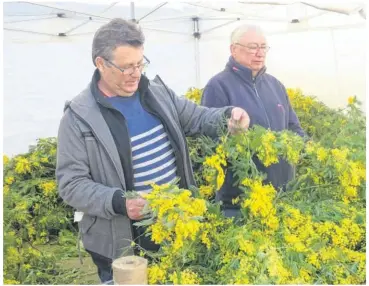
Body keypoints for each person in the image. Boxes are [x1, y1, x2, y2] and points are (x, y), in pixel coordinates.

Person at [55, 18, 250, 284]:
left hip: (174, 225)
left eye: (140, 63)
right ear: (101, 64)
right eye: (126, 67)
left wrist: (228, 116)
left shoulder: (156, 93)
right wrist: (120, 202)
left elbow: (196, 117)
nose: (136, 74)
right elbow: (71, 184)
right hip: (121, 239)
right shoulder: (78, 118)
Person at [201, 24, 305, 218]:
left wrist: (307, 149)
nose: (259, 53)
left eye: (263, 47)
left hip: (282, 195)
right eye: (252, 47)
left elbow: (294, 128)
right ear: (233, 49)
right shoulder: (218, 86)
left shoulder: (275, 85)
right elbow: (209, 143)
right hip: (241, 202)